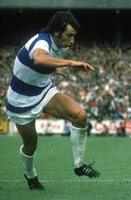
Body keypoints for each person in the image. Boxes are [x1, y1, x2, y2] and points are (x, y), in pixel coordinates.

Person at [5, 11, 100, 190]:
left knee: (80, 115)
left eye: (74, 36)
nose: (72, 40)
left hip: (43, 91)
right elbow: (39, 58)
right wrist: (71, 63)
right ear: (56, 32)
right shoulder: (41, 40)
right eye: (69, 35)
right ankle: (31, 175)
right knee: (31, 144)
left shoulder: (61, 45)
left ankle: (79, 166)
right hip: (21, 100)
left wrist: (55, 70)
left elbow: (42, 64)